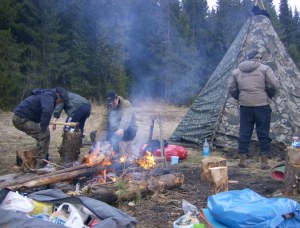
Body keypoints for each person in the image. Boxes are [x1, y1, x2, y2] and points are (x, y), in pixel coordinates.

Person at [228, 50, 279, 169]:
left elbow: (231, 88)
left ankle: (243, 159)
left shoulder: (237, 71)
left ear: (247, 58)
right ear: (258, 58)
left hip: (245, 105)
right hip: (262, 105)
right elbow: (274, 85)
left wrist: (240, 97)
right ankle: (264, 161)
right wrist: (269, 94)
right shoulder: (265, 69)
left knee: (244, 132)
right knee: (263, 132)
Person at [12, 87, 68, 168]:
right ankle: (41, 166)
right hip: (20, 119)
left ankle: (42, 158)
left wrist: (43, 126)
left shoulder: (49, 95)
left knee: (44, 133)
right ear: (58, 95)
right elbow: (47, 112)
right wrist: (43, 127)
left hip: (24, 117)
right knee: (44, 135)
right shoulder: (49, 96)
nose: (60, 103)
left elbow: (42, 112)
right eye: (61, 100)